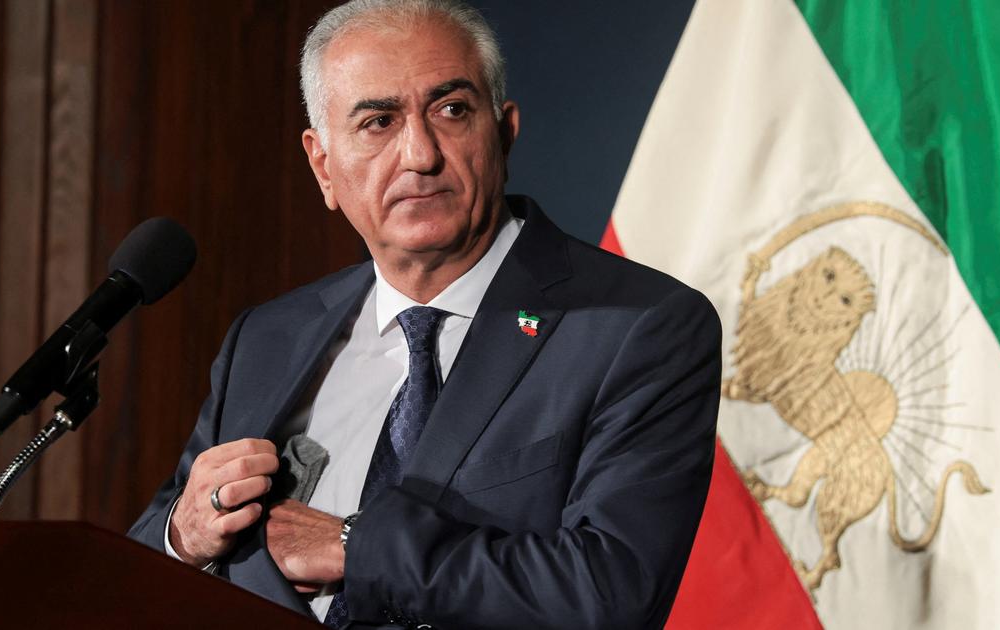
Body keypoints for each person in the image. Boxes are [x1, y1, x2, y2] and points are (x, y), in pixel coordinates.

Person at [128, 1, 721, 628]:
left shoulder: (637, 327)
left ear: (504, 133)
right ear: (323, 166)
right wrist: (184, 537)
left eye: (452, 110)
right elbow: (138, 567)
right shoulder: (269, 337)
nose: (419, 154)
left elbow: (610, 594)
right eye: (378, 122)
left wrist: (353, 548)